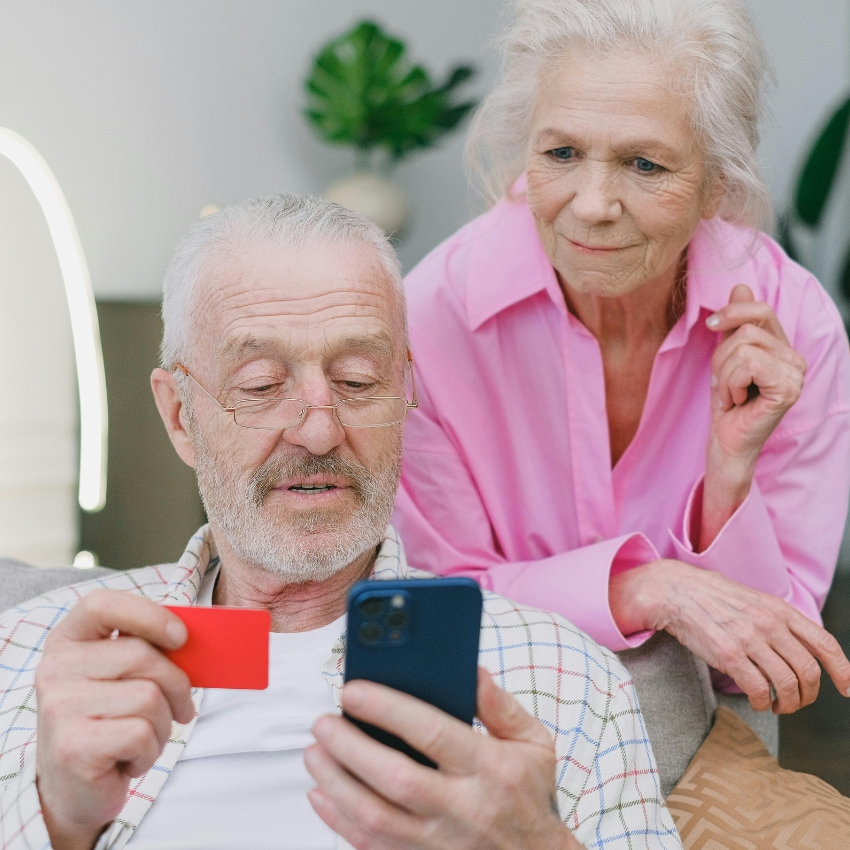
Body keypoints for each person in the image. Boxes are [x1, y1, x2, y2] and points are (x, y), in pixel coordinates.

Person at [0, 195, 681, 850]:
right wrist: (57, 818)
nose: (321, 430)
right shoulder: (28, 654)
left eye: (357, 380)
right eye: (262, 385)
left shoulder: (567, 679)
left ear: (406, 392)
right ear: (181, 415)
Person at [393, 0, 850, 722]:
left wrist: (729, 478)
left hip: (712, 721)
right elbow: (433, 611)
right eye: (562, 154)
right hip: (494, 714)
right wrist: (647, 587)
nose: (594, 204)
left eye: (645, 163)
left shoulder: (795, 325)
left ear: (717, 184)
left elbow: (767, 666)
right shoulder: (427, 324)